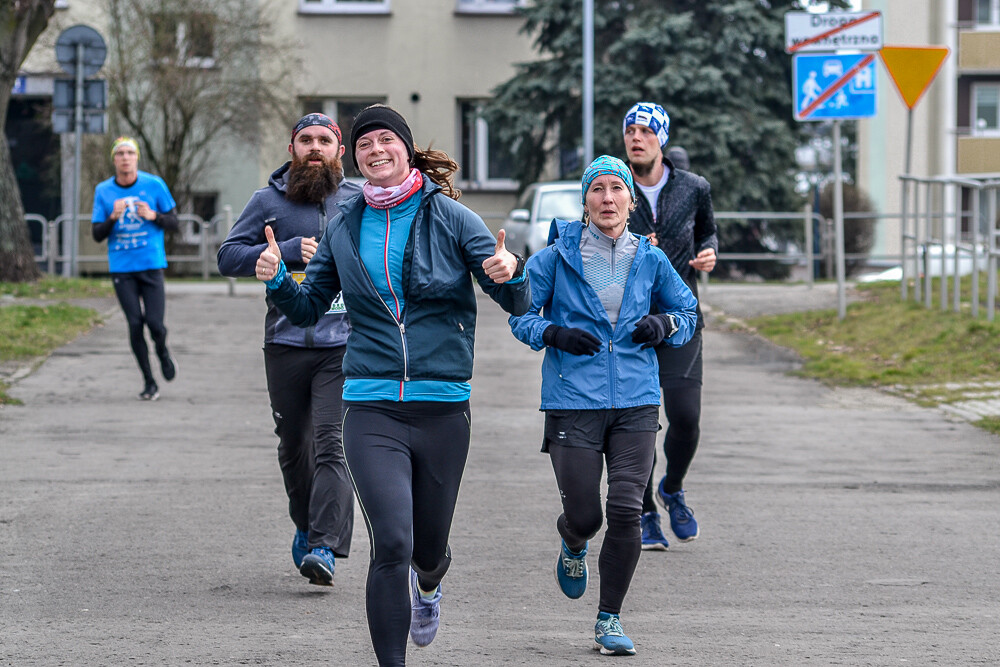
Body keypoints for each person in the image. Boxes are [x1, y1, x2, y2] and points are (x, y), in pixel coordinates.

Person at [253, 104, 530, 666]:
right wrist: (280, 279)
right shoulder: (344, 224)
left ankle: (429, 586)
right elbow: (309, 309)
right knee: (392, 544)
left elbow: (515, 301)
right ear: (355, 157)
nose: (376, 150)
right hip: (371, 405)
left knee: (427, 551)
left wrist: (511, 270)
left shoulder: (451, 217)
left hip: (443, 408)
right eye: (365, 144)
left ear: (406, 148)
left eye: (386, 140)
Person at [508, 155, 697, 656]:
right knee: (588, 516)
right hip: (574, 402)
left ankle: (608, 619)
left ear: (631, 202)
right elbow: (520, 315)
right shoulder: (555, 257)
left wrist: (664, 326)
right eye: (598, 190)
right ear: (585, 200)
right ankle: (573, 540)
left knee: (626, 509)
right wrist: (553, 332)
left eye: (617, 189)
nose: (608, 198)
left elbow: (687, 310)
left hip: (636, 400)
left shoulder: (651, 259)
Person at [217, 113, 360, 586]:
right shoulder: (267, 202)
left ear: (339, 150)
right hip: (285, 342)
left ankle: (324, 545)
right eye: (306, 140)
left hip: (344, 344)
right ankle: (305, 523)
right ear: (292, 148)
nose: (314, 147)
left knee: (332, 443)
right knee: (293, 447)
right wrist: (276, 253)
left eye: (324, 140)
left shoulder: (359, 201)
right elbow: (226, 255)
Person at [621, 102, 718, 551]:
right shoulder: (614, 187)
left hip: (680, 319)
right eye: (630, 131)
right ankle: (644, 512)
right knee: (637, 422)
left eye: (644, 131)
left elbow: (708, 232)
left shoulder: (694, 188)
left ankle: (672, 488)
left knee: (686, 418)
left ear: (661, 138)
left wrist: (709, 253)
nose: (636, 138)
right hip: (629, 322)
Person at [91, 136, 179, 401]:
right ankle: (149, 381)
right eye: (120, 154)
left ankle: (163, 351)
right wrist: (112, 217)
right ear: (114, 159)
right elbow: (96, 234)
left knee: (155, 324)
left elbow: (175, 223)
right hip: (122, 268)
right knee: (134, 323)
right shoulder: (104, 191)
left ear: (137, 157)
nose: (125, 158)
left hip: (151, 265)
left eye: (130, 152)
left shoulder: (153, 185)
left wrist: (155, 216)